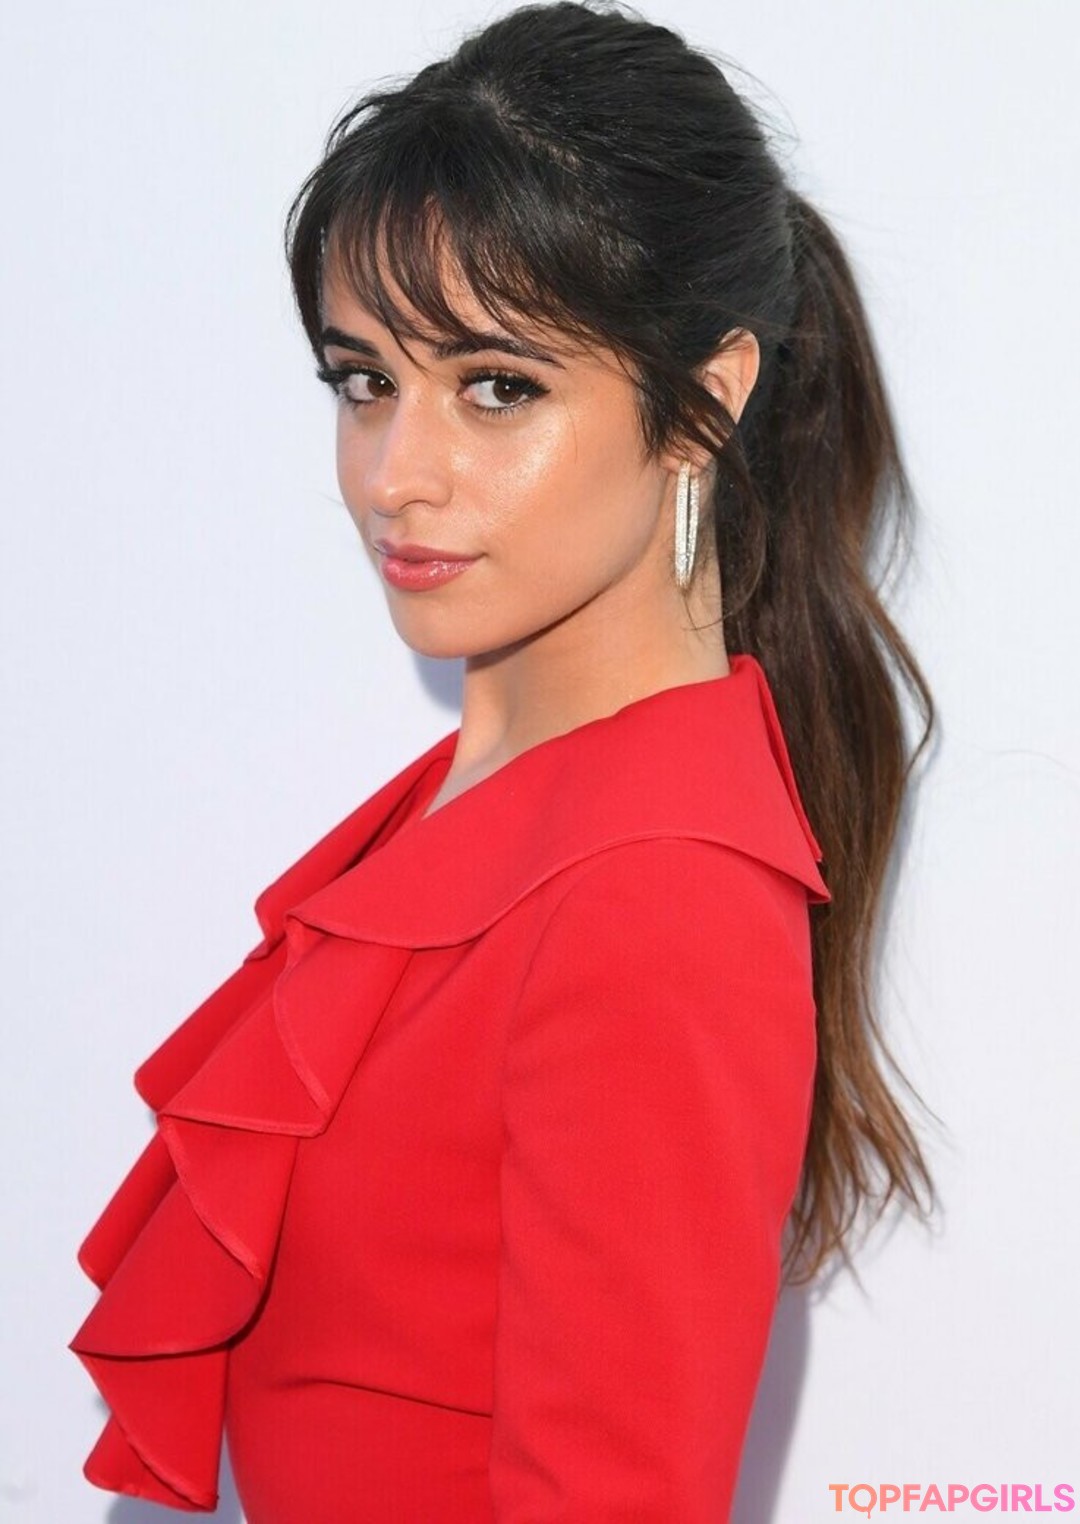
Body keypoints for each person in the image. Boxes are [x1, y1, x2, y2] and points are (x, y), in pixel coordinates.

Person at [69, 2, 938, 1519]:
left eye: (497, 386)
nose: (394, 475)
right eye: (364, 380)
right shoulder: (485, 818)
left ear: (706, 400)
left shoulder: (652, 895)